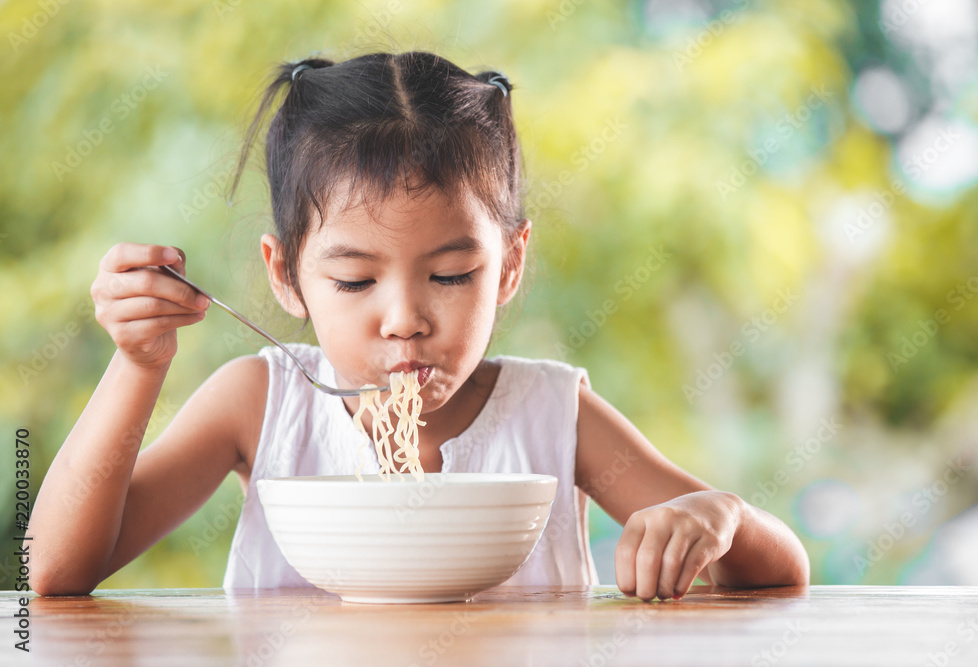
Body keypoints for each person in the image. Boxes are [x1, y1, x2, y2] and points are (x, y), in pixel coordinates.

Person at [28, 51, 809, 600]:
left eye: (451, 275)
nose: (404, 320)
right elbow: (57, 569)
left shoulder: (551, 415)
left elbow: (776, 571)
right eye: (355, 279)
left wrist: (721, 516)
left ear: (509, 264)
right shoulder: (262, 404)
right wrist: (138, 365)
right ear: (285, 274)